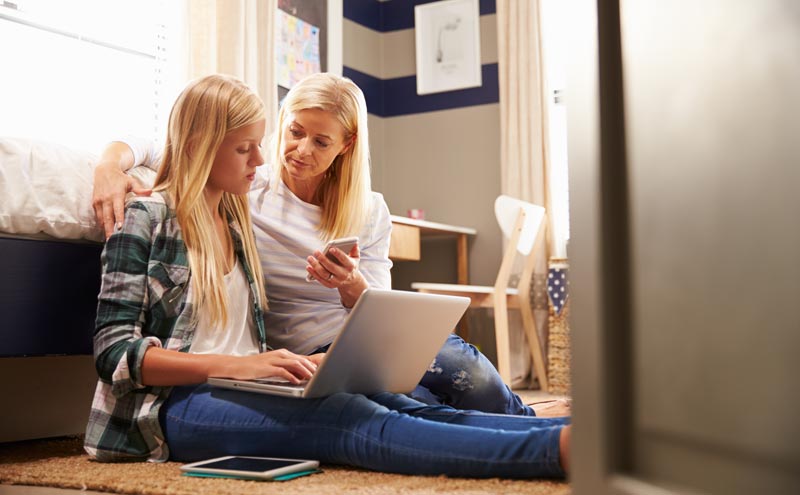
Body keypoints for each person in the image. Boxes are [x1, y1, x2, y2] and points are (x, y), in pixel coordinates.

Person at [84, 73, 571, 477]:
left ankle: (574, 434)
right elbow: (114, 354)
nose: (265, 159)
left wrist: (285, 350)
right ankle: (556, 454)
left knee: (405, 405)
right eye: (249, 148)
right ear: (203, 146)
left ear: (345, 146)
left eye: (260, 146)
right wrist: (111, 162)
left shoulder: (234, 218)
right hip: (169, 407)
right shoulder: (150, 217)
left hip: (261, 376)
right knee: (350, 419)